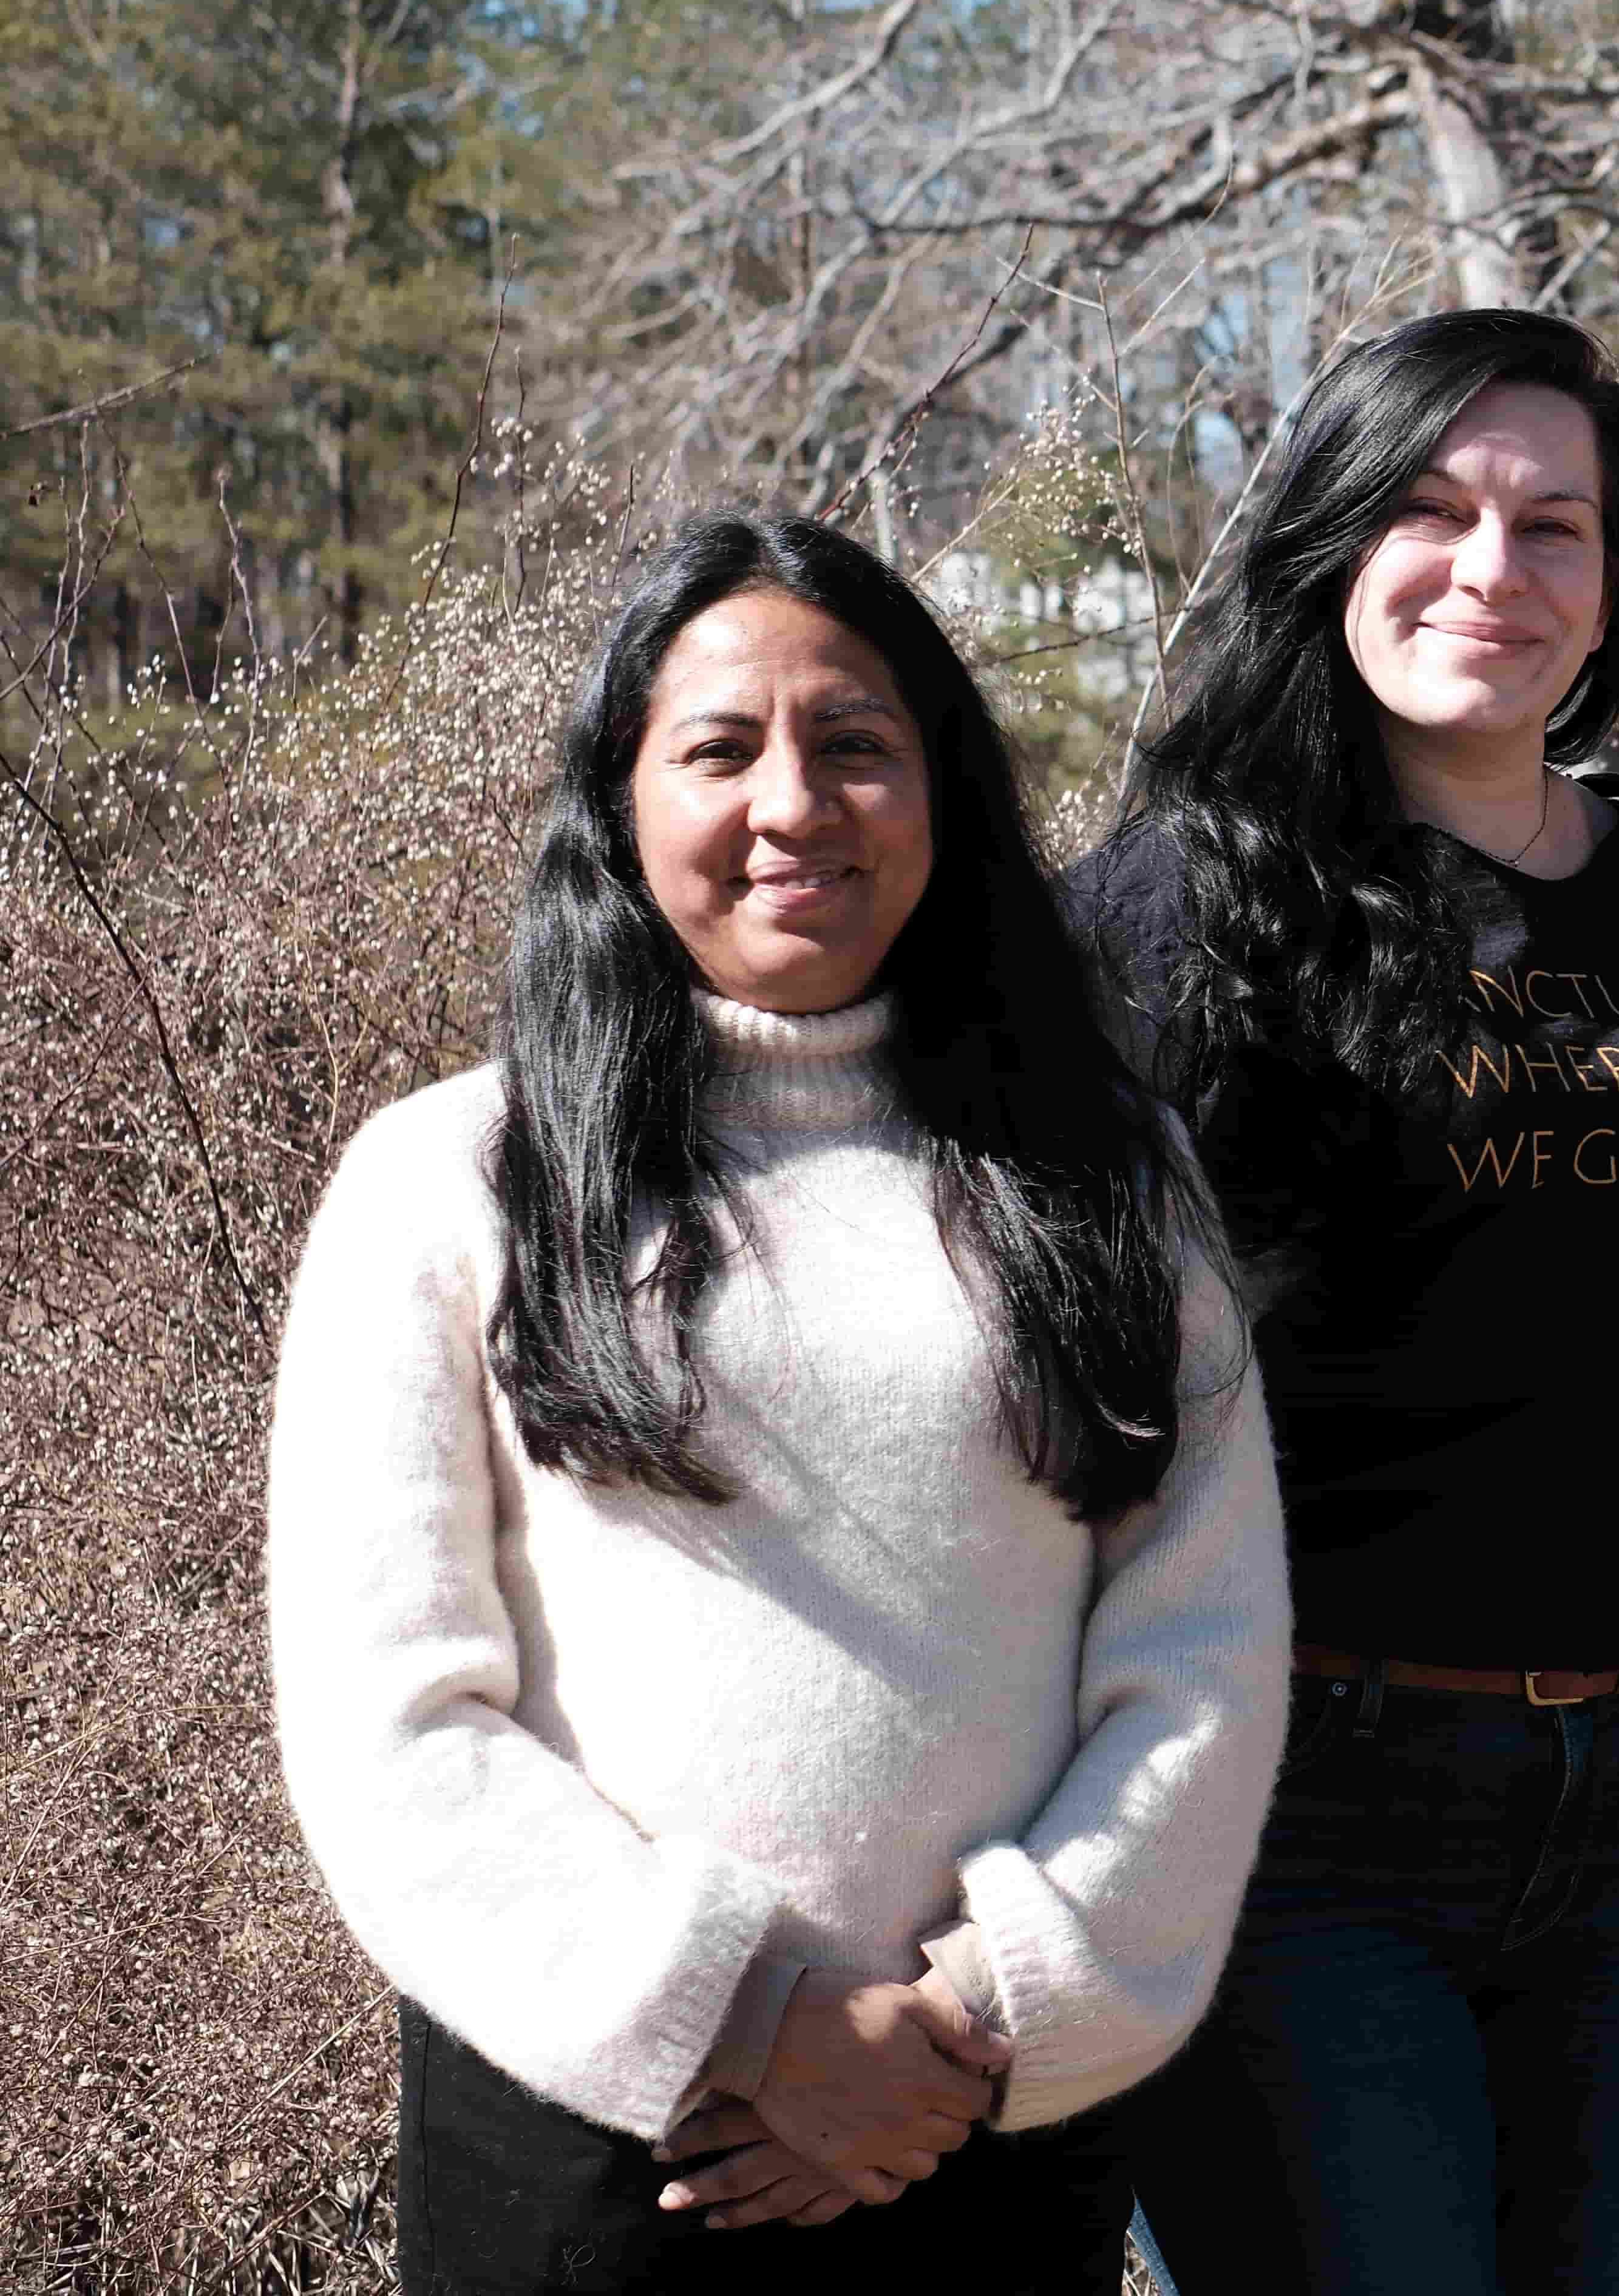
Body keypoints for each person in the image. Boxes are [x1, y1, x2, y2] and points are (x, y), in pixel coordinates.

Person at [266, 513, 1287, 2294]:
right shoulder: (453, 1180)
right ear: (622, 798)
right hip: (595, 2143)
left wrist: (977, 2009)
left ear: (943, 789)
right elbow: (392, 1711)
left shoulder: (1105, 1172)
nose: (794, 804)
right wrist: (745, 2023)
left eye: (857, 744)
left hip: (986, 2120)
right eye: (721, 749)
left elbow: (1205, 1643)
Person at [1077, 308, 1619, 2294]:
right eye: (1431, 509)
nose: (1494, 570)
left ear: (1612, 588)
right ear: (1330, 538)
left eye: (1555, 526)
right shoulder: (1181, 906)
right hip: (1312, 1815)